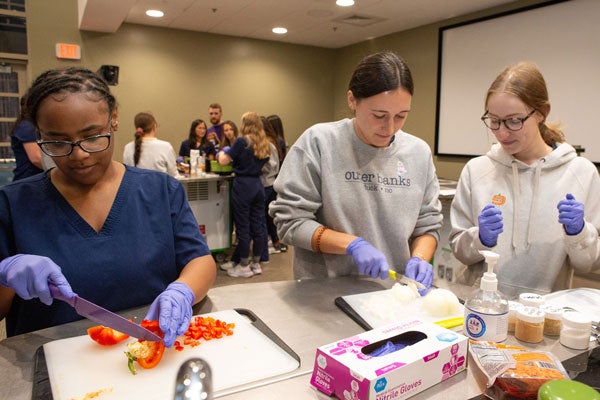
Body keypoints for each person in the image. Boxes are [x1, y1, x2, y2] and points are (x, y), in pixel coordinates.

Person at [0, 67, 216, 346]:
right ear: (39, 133)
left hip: (149, 353)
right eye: (57, 142)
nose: (78, 155)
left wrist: (183, 290)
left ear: (113, 119)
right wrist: (5, 275)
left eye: (92, 137)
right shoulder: (14, 204)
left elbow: (200, 261)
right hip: (50, 366)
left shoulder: (160, 190)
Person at [269, 51, 442, 293]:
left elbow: (428, 225)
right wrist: (351, 244)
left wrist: (421, 258)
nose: (390, 128)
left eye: (401, 116)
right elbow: (290, 223)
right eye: (379, 115)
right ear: (352, 100)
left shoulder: (418, 153)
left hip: (394, 296)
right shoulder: (319, 143)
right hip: (324, 296)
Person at [449, 62, 600, 297]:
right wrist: (480, 238)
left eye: (514, 120)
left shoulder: (581, 174)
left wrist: (580, 233)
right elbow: (460, 251)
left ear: (541, 112)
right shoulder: (477, 170)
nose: (502, 132)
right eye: (494, 120)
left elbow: (588, 264)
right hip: (480, 307)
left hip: (544, 315)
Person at [217, 111, 270, 278]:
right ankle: (256, 263)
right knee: (258, 226)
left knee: (243, 227)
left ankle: (244, 266)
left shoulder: (241, 141)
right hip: (257, 185)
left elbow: (224, 161)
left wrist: (221, 154)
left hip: (243, 186)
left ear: (245, 124)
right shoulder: (263, 143)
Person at [260, 116, 287, 254]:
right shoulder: (275, 142)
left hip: (268, 183)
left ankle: (271, 243)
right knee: (268, 216)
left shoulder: (269, 144)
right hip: (272, 182)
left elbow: (272, 166)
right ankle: (275, 241)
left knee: (265, 216)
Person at [123, 112, 178, 177]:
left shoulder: (128, 148)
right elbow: (173, 176)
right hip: (160, 187)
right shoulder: (166, 147)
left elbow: (126, 175)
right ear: (154, 126)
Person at [10, 96, 49, 180]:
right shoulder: (27, 126)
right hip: (29, 180)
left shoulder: (35, 126)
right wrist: (60, 173)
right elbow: (36, 158)